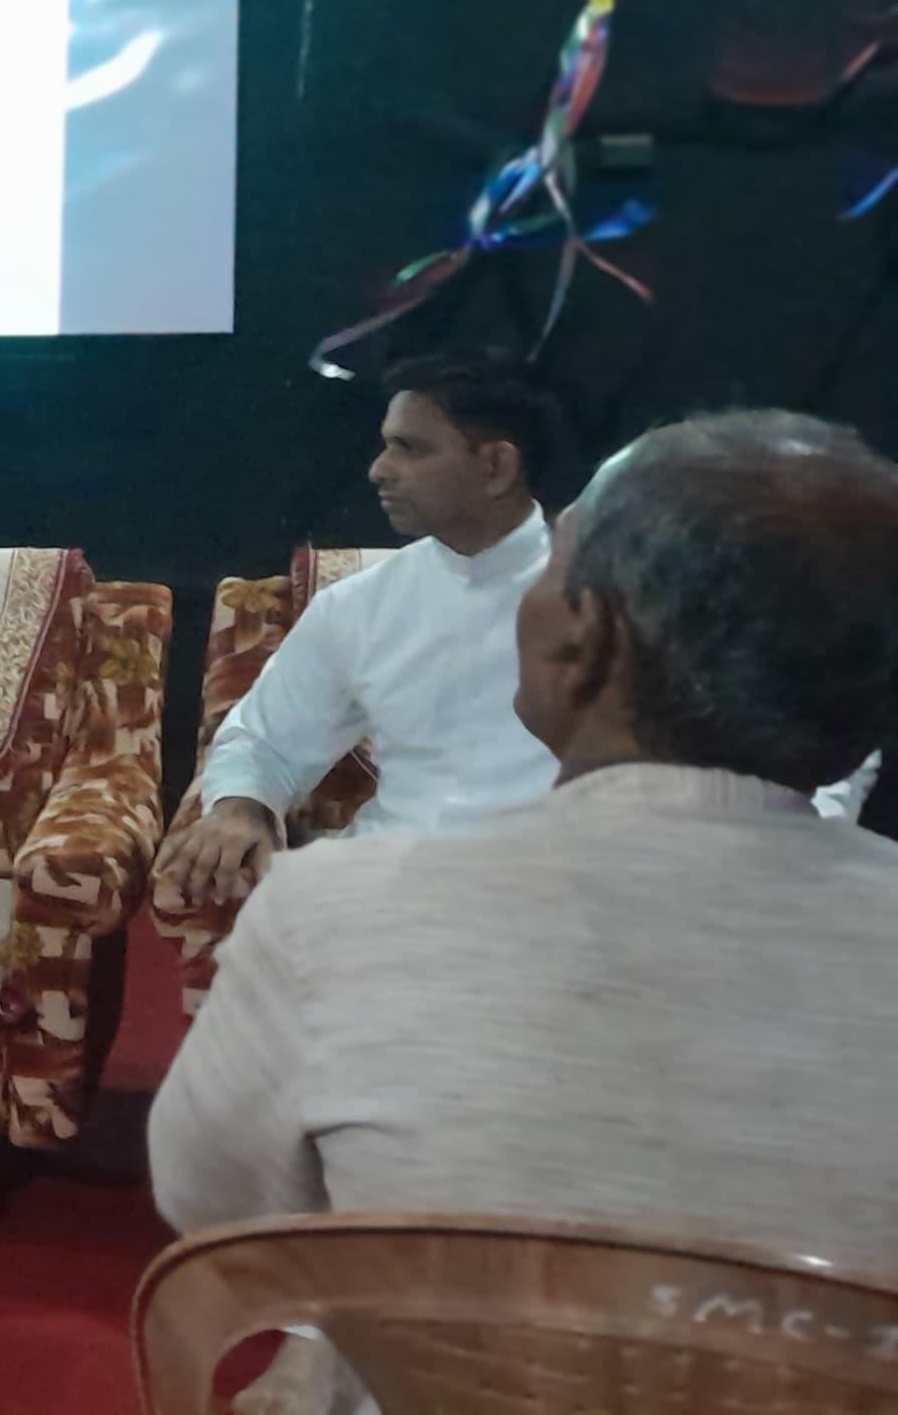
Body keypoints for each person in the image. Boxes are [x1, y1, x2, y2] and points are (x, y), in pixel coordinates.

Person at [151, 410, 898, 1407]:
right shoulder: (363, 610)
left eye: (555, 571)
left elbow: (218, 1204)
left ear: (582, 641)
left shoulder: (330, 919)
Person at [153, 353, 566, 911]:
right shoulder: (362, 605)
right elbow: (266, 740)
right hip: (392, 894)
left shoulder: (621, 595)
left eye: (410, 449)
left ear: (495, 466)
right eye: (385, 445)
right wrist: (242, 808)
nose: (378, 470)